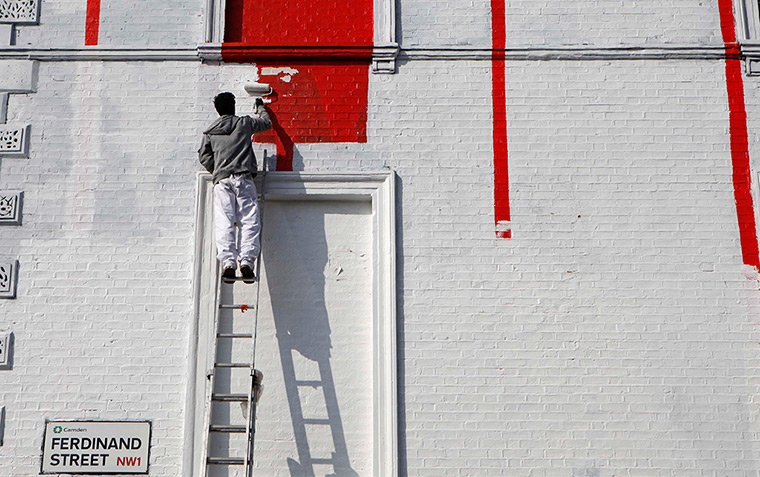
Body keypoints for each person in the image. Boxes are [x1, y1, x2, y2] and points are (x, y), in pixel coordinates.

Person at [199, 92, 272, 280]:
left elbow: (204, 157)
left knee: (224, 221)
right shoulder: (244, 123)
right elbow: (266, 123)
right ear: (233, 106)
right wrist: (261, 107)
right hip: (243, 178)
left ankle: (228, 262)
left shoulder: (210, 132)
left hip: (222, 181)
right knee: (249, 220)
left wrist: (217, 169)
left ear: (217, 110)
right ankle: (247, 261)